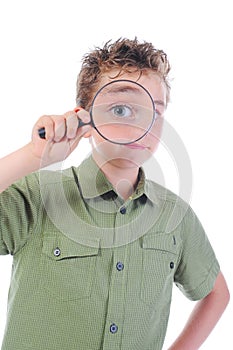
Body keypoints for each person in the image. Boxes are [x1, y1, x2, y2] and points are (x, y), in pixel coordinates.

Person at [0, 38, 229, 350]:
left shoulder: (176, 216)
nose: (142, 126)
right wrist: (33, 154)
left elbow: (217, 293)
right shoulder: (38, 195)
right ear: (85, 119)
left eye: (155, 112)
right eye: (122, 109)